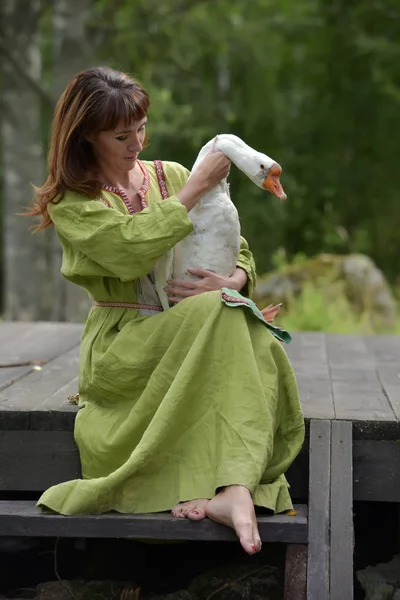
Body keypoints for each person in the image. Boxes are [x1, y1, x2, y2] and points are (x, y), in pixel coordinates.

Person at [29, 66, 304, 555]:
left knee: (235, 317)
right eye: (121, 135)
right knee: (232, 318)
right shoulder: (76, 202)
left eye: (140, 128)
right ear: (86, 137)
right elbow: (128, 249)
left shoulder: (168, 175)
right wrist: (195, 188)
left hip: (196, 324)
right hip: (126, 344)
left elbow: (236, 246)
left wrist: (233, 280)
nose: (137, 142)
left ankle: (233, 489)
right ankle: (234, 488)